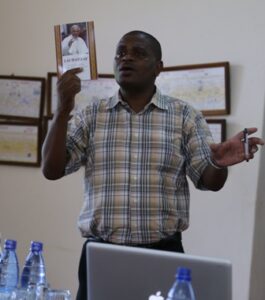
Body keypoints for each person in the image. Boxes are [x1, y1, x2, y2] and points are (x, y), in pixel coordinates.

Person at [42, 30, 264, 299]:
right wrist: (63, 108)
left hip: (163, 252)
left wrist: (217, 162)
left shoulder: (185, 115)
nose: (126, 58)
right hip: (101, 253)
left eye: (139, 53)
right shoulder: (92, 114)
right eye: (121, 52)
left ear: (159, 67)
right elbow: (52, 170)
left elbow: (209, 182)